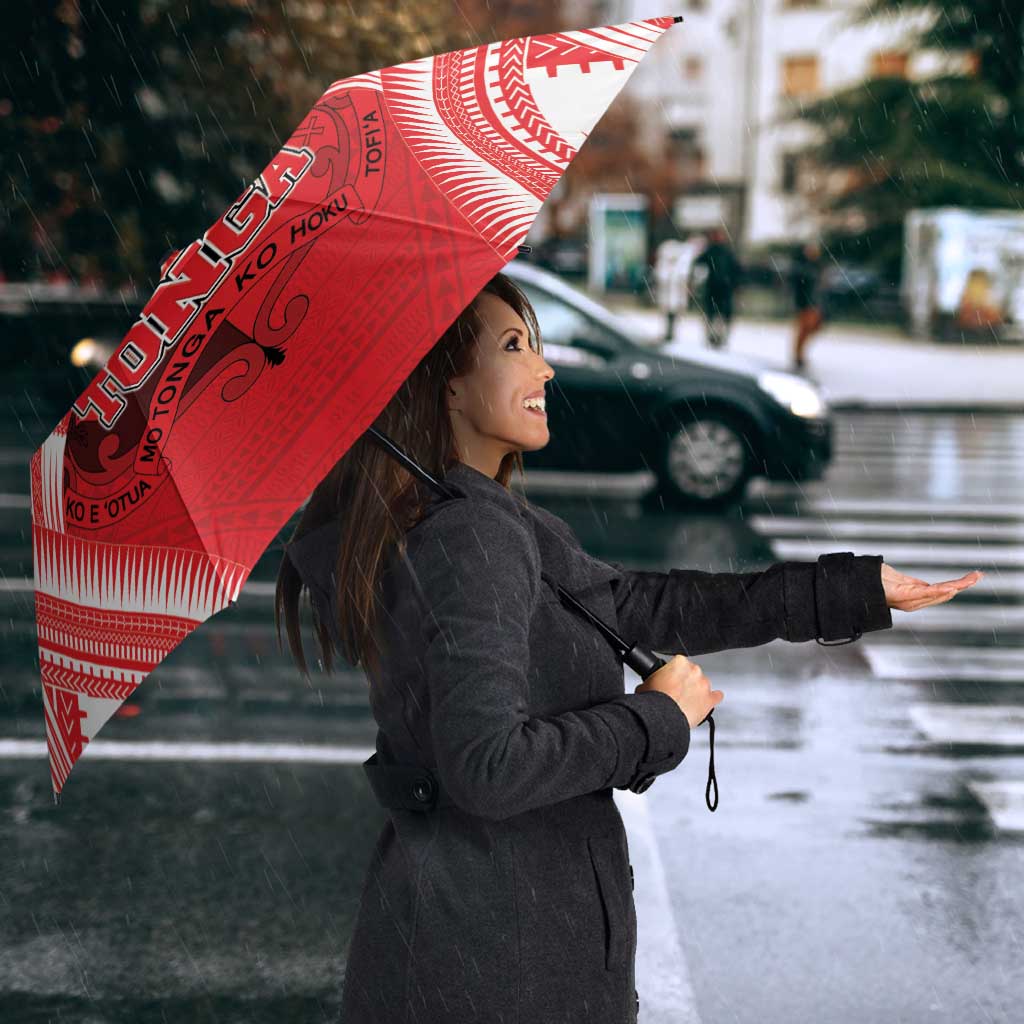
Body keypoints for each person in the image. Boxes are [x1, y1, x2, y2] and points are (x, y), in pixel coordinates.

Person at [275, 271, 975, 1024]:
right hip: (500, 962)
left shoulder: (475, 517)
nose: (544, 368)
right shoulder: (469, 536)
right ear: (446, 386)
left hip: (479, 941)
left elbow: (639, 605)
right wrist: (656, 719)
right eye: (514, 346)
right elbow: (487, 768)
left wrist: (850, 591)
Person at [692, 226, 742, 349]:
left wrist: (735, 284)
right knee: (713, 314)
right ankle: (713, 337)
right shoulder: (712, 251)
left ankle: (719, 337)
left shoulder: (725, 252)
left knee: (720, 315)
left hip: (723, 288)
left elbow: (736, 270)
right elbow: (698, 264)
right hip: (715, 288)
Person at [790, 240, 826, 371]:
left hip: (814, 303)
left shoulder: (817, 266)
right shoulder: (802, 267)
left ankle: (800, 354)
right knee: (804, 329)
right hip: (805, 303)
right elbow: (799, 286)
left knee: (813, 328)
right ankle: (798, 355)